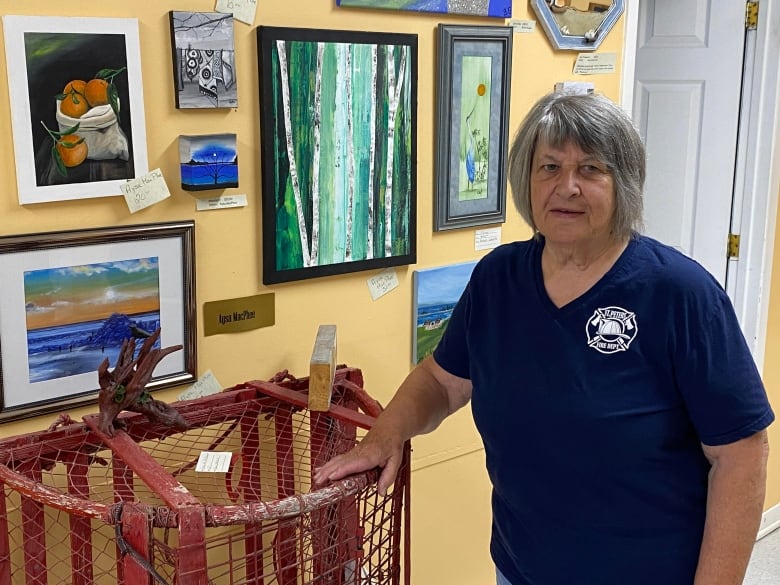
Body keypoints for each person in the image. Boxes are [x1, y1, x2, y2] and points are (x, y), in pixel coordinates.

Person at [313, 91, 775, 585]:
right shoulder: (497, 279)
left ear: (624, 182)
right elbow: (443, 381)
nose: (567, 187)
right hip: (520, 568)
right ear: (525, 181)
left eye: (591, 169)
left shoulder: (681, 294)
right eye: (549, 167)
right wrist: (388, 432)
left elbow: (740, 455)